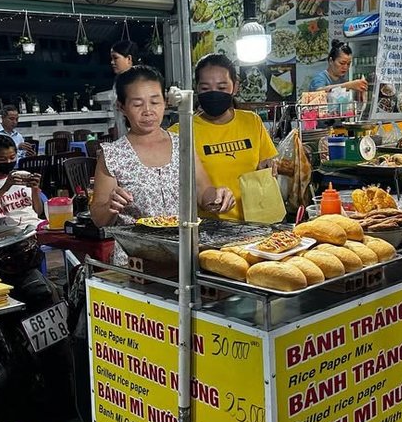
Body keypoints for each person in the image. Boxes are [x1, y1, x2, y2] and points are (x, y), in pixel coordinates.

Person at [90, 65, 235, 265]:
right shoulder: (112, 154)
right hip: (136, 262)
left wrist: (219, 197)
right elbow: (99, 219)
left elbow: (204, 194)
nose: (148, 111)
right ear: (121, 107)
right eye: (137, 104)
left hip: (185, 257)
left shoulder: (183, 143)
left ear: (165, 102)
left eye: (155, 102)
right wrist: (110, 206)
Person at [173, 54, 279, 222]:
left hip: (256, 223)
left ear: (235, 87)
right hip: (209, 226)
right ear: (196, 89)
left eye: (222, 87)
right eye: (205, 88)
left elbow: (265, 163)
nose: (214, 93)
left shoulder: (252, 121)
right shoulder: (181, 131)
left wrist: (269, 165)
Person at [0, 135, 46, 230]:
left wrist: (34, 189)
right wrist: (4, 188)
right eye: (2, 159)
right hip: (11, 232)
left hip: (36, 226)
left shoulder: (23, 176)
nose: (9, 162)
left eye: (12, 157)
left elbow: (38, 212)